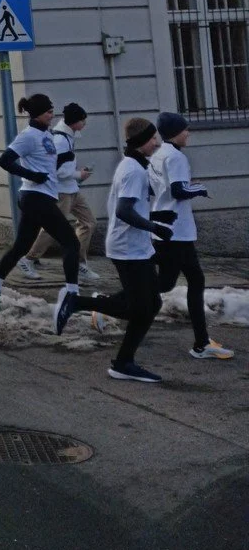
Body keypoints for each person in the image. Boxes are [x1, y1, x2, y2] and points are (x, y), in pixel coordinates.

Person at [56, 118, 174, 382]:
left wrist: (158, 219)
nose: (157, 142)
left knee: (151, 303)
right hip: (127, 248)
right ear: (142, 141)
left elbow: (134, 206)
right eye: (153, 138)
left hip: (136, 247)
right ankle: (80, 305)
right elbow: (124, 211)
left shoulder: (136, 165)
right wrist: (153, 226)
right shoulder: (133, 169)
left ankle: (123, 361)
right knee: (141, 309)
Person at [0, 94, 81, 313]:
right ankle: (72, 295)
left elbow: (45, 161)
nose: (52, 115)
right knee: (71, 243)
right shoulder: (28, 136)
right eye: (48, 112)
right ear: (37, 114)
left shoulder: (45, 134)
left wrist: (62, 162)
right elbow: (5, 160)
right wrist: (31, 174)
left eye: (52, 110)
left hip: (39, 197)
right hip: (34, 196)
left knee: (21, 246)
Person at [149, 112, 233, 360]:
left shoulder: (158, 154)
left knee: (165, 284)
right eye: (185, 129)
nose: (189, 133)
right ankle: (201, 343)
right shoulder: (175, 157)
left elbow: (159, 187)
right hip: (177, 231)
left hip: (166, 227)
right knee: (193, 282)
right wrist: (199, 187)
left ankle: (108, 306)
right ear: (175, 132)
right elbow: (178, 190)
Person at [19, 103, 100, 283]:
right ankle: (28, 259)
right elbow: (55, 169)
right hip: (62, 191)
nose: (85, 123)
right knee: (52, 229)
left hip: (72, 189)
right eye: (82, 120)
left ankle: (79, 262)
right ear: (74, 122)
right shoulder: (60, 140)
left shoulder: (67, 137)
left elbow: (63, 166)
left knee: (89, 222)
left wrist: (77, 173)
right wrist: (79, 174)